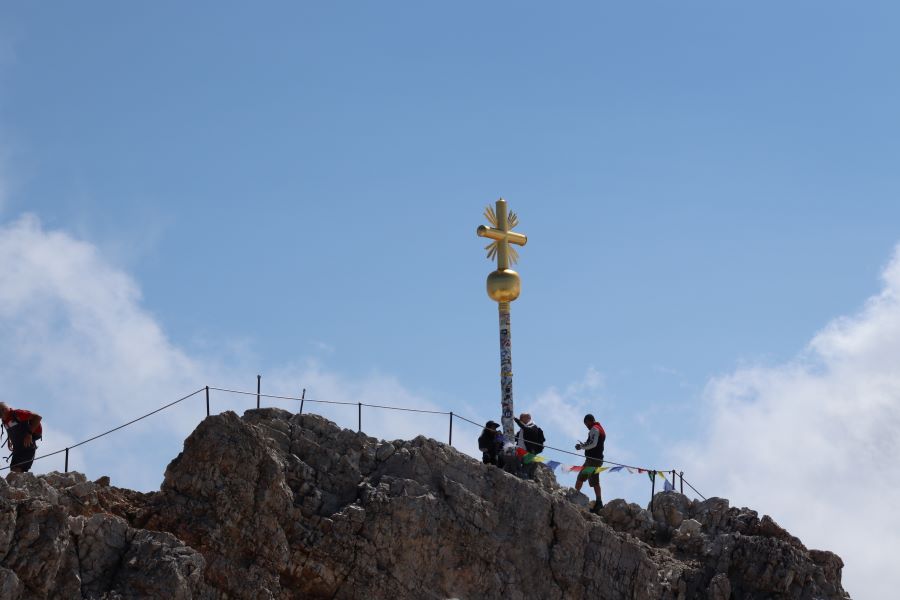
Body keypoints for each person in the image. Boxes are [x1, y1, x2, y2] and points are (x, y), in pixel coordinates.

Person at [574, 413, 605, 514]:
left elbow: (593, 443)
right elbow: (593, 443)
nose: (586, 426)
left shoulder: (594, 429)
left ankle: (574, 497)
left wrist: (581, 447)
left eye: (586, 423)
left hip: (592, 460)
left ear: (590, 421)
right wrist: (583, 445)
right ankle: (599, 502)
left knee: (580, 477)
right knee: (595, 481)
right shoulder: (600, 429)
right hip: (598, 460)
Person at [0, 402, 43, 473]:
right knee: (13, 469)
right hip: (18, 447)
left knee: (16, 469)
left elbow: (38, 417)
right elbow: (9, 428)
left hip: (27, 445)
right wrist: (9, 440)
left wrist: (29, 434)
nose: (0, 417)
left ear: (4, 410)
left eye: (0, 415)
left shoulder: (18, 414)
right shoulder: (4, 420)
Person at [514, 413, 545, 479]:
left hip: (528, 452)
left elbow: (527, 429)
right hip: (519, 451)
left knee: (528, 464)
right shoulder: (521, 431)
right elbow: (514, 438)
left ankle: (525, 476)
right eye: (520, 418)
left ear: (528, 418)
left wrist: (516, 420)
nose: (520, 419)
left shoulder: (533, 427)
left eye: (522, 418)